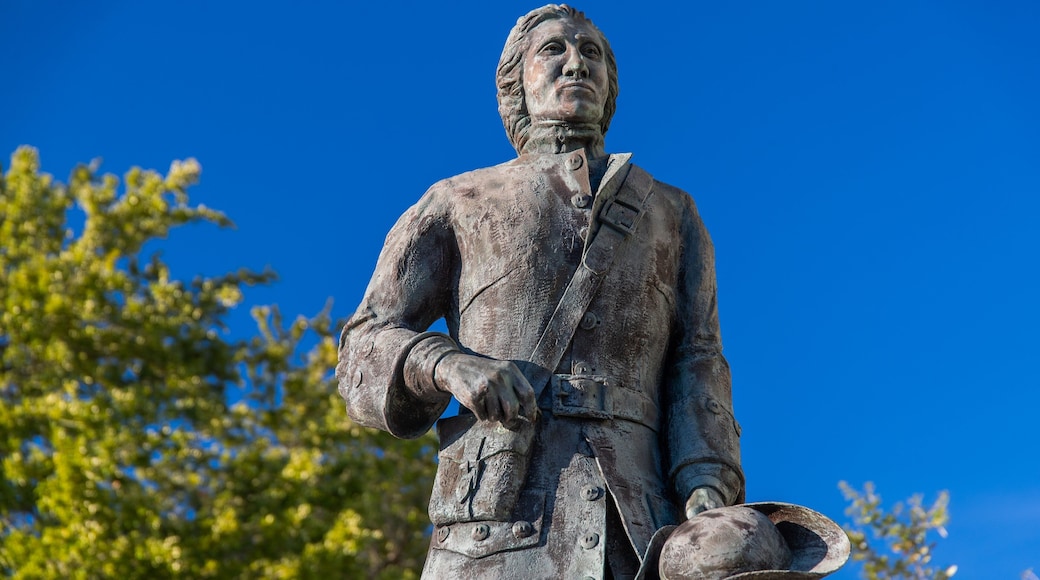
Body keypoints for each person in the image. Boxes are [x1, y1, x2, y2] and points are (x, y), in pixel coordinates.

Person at [336, 5, 743, 578]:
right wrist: (449, 365)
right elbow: (362, 346)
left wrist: (708, 482)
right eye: (554, 50)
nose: (577, 63)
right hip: (494, 526)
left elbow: (697, 361)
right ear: (516, 84)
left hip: (641, 530)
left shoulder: (672, 212)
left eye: (592, 53)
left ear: (610, 85)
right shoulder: (459, 199)